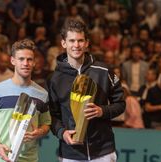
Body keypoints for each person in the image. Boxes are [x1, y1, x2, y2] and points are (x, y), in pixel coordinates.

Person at [47, 18, 125, 161]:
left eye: (80, 40)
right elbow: (52, 115)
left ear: (87, 43)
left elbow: (120, 104)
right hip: (70, 153)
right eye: (71, 41)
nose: (76, 45)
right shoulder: (54, 79)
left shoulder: (103, 71)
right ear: (63, 43)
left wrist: (102, 111)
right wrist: (62, 133)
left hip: (103, 151)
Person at [0, 39, 51, 162]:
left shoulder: (42, 94)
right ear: (13, 61)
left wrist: (40, 131)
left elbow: (46, 124)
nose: (25, 63)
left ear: (34, 62)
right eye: (21, 59)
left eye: (29, 59)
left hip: (29, 159)